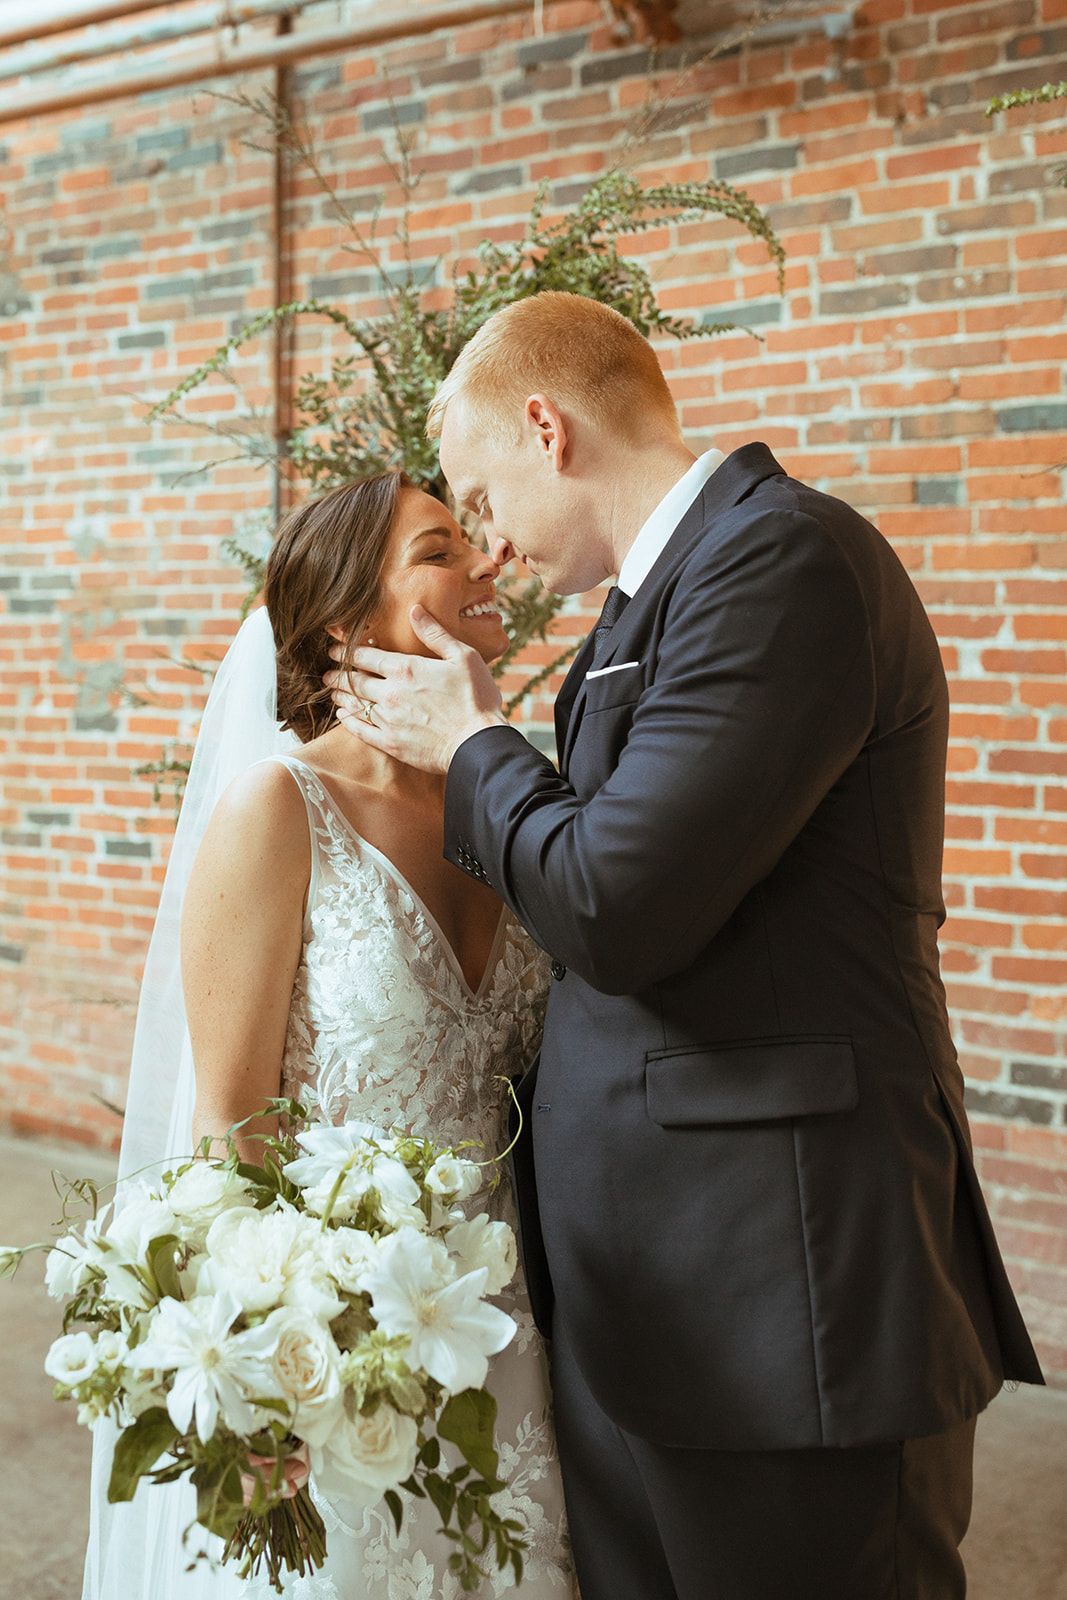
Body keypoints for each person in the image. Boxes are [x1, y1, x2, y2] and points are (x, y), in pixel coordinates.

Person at [324, 289, 1045, 1600]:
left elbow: (617, 905)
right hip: (646, 1306)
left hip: (781, 1295)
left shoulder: (782, 562)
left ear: (544, 428)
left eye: (478, 502)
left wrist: (474, 744)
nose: (483, 554)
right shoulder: (632, 614)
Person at [83, 472, 574, 1600]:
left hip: (509, 1337)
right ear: (350, 625)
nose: (486, 566)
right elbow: (229, 1121)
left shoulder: (511, 799)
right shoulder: (278, 811)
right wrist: (263, 1377)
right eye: (440, 550)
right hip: (345, 1352)